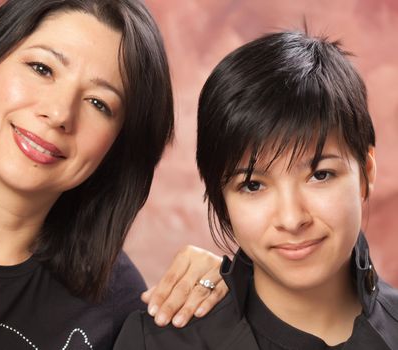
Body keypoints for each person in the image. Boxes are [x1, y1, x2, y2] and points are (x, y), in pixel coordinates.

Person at [0, 0, 226, 348]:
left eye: (99, 103)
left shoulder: (121, 307)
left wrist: (242, 295)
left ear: (117, 148)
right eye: (42, 69)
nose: (60, 113)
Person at [114, 30, 398, 349]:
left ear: (366, 173)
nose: (292, 219)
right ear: (221, 197)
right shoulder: (156, 343)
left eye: (320, 175)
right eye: (253, 185)